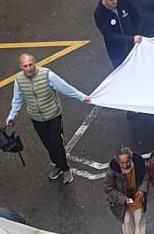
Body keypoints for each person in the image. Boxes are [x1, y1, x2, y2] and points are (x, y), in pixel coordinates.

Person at [5, 52, 91, 182]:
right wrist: (11, 116)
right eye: (25, 66)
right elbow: (17, 100)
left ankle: (66, 169)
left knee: (56, 143)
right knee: (48, 144)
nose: (28, 68)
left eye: (30, 64)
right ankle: (58, 165)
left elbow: (65, 88)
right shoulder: (18, 80)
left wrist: (82, 97)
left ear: (35, 63)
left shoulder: (47, 75)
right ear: (20, 66)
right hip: (36, 118)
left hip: (53, 116)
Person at [105, 147, 150, 234]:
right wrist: (123, 199)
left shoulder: (139, 164)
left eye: (127, 162)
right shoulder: (112, 172)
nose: (125, 165)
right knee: (127, 224)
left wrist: (142, 189)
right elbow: (109, 189)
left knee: (139, 222)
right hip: (123, 204)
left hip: (137, 198)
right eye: (122, 163)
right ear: (118, 161)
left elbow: (145, 177)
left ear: (131, 159)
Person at [94, 0, 138, 69]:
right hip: (117, 54)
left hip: (133, 47)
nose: (115, 1)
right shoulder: (99, 14)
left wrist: (136, 33)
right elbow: (109, 36)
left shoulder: (123, 2)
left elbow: (136, 16)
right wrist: (131, 39)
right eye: (111, 0)